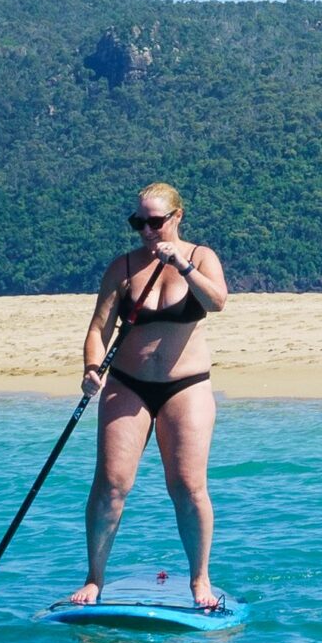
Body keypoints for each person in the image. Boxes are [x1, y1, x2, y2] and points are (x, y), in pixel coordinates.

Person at [70, 182, 228, 610]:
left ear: (177, 217)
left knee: (188, 487)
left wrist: (184, 266)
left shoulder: (201, 257)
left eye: (154, 222)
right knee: (111, 485)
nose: (145, 230)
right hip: (127, 383)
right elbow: (98, 329)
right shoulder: (122, 267)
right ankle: (94, 579)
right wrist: (90, 367)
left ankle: (200, 581)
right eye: (138, 222)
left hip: (187, 385)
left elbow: (217, 302)